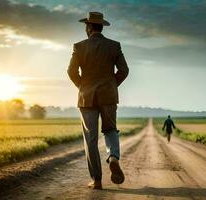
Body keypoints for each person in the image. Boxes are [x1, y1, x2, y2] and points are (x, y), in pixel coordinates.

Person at [67, 12, 129, 190]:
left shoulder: (79, 47)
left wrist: (83, 86)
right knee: (110, 130)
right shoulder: (114, 46)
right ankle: (114, 158)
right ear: (101, 27)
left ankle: (97, 180)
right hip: (108, 96)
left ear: (88, 27)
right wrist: (110, 85)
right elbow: (124, 70)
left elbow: (71, 72)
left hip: (86, 98)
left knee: (91, 139)